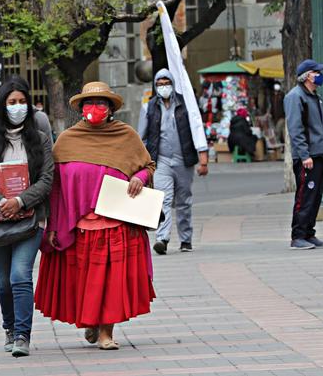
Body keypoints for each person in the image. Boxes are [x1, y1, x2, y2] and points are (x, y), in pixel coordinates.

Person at [35, 81, 156, 351]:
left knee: (111, 283)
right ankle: (92, 322)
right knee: (87, 283)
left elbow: (147, 165)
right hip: (78, 226)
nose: (94, 109)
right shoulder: (67, 140)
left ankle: (106, 333)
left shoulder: (126, 136)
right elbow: (55, 187)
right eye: (89, 104)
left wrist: (139, 177)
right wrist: (53, 225)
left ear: (110, 108)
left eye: (101, 104)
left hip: (116, 223)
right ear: (81, 108)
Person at [0, 78, 54, 357]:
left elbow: (48, 179)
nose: (18, 107)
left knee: (20, 276)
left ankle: (22, 335)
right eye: (12, 102)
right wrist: (0, 202)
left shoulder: (39, 139)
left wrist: (21, 200)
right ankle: (9, 326)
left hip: (31, 221)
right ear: (2, 106)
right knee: (3, 282)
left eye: (22, 101)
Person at [138, 68, 209, 255]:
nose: (163, 87)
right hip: (161, 161)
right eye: (159, 84)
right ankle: (162, 238)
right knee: (163, 199)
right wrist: (142, 161)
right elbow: (141, 138)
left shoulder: (186, 105)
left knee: (184, 201)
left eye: (166, 83)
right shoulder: (149, 107)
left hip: (184, 160)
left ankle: (186, 239)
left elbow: (197, 130)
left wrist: (203, 158)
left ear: (172, 83)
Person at [284, 59, 323, 250]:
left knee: (315, 196)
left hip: (318, 153)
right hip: (308, 156)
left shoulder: (314, 96)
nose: (320, 75)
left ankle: (309, 233)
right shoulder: (296, 97)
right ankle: (298, 235)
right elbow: (296, 129)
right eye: (316, 72)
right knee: (305, 196)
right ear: (307, 76)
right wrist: (304, 155)